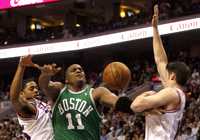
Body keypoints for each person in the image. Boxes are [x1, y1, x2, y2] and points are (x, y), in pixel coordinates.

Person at [131, 5, 191, 140]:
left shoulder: (171, 93)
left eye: (166, 73)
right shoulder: (176, 92)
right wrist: (155, 29)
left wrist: (146, 94)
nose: (162, 74)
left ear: (173, 76)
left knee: (151, 94)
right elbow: (160, 60)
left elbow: (135, 105)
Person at [38, 63, 133, 140]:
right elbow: (44, 85)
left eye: (81, 69)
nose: (78, 70)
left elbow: (118, 102)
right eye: (73, 70)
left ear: (85, 76)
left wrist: (135, 106)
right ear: (66, 80)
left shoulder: (97, 93)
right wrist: (45, 75)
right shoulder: (59, 91)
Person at [10, 55, 54, 140]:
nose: (36, 90)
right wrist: (21, 66)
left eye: (36, 88)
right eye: (31, 88)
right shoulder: (29, 108)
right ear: (22, 94)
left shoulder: (39, 103)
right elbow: (14, 98)